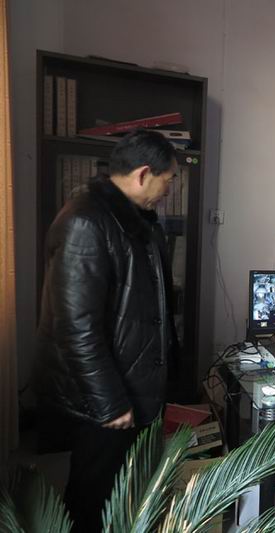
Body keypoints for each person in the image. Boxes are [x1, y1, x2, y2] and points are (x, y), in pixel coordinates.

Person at [36, 129, 179, 532]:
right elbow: (75, 326)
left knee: (126, 488)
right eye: (167, 180)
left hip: (133, 380)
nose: (169, 191)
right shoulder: (86, 220)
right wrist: (109, 402)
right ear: (143, 174)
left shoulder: (134, 218)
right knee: (93, 492)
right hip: (107, 394)